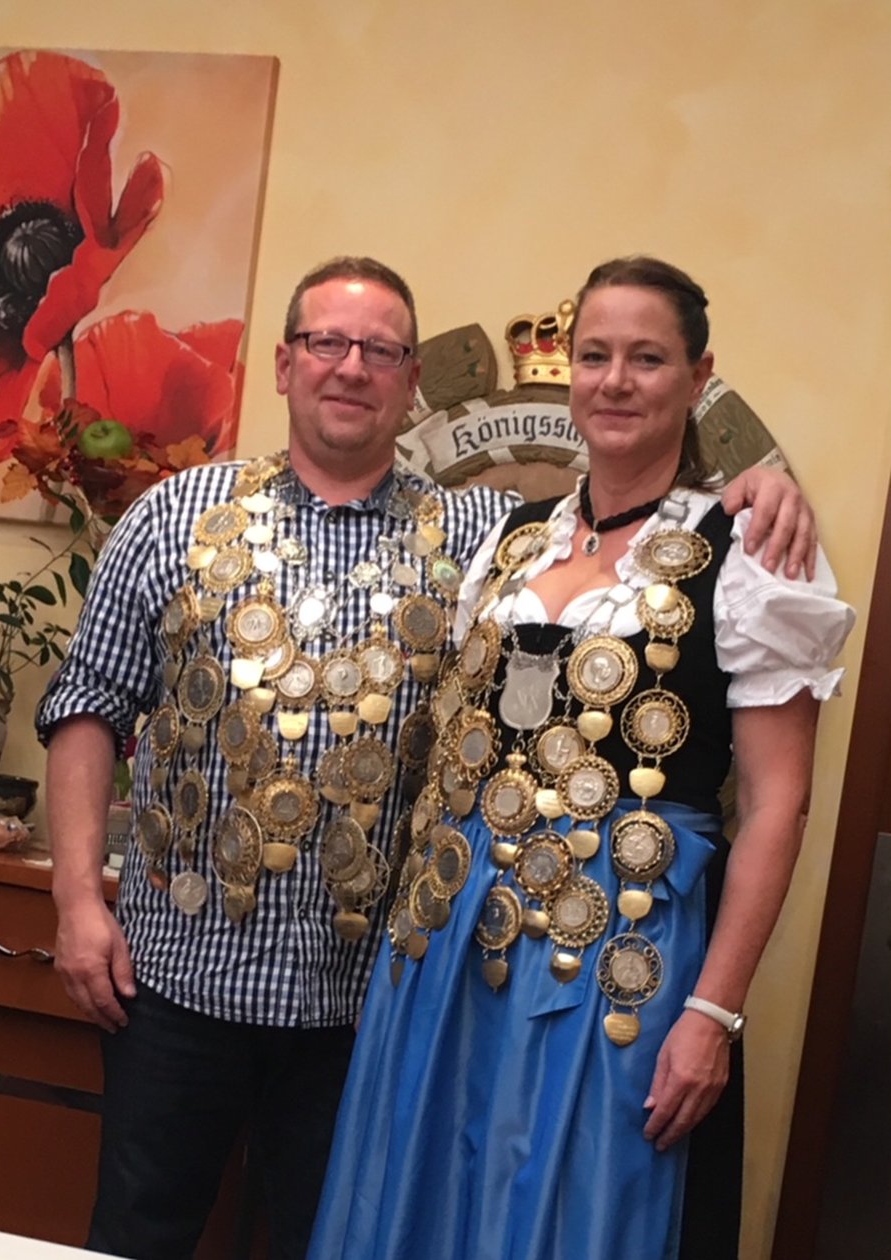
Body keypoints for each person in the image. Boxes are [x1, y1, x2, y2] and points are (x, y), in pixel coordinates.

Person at [38, 255, 816, 1260]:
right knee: (138, 1235)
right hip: (183, 979)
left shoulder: (482, 530)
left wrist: (757, 490)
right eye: (327, 342)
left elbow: (766, 779)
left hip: (365, 998)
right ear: (283, 362)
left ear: (411, 382)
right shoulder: (179, 513)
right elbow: (88, 702)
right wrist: (75, 900)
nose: (350, 367)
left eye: (380, 351)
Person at [307, 256, 853, 1260]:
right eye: (596, 356)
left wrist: (713, 1013)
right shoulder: (515, 539)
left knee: (572, 1202)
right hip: (451, 939)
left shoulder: (748, 551)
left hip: (614, 948)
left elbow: (779, 804)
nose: (615, 381)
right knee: (427, 1190)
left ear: (698, 377)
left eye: (648, 358)